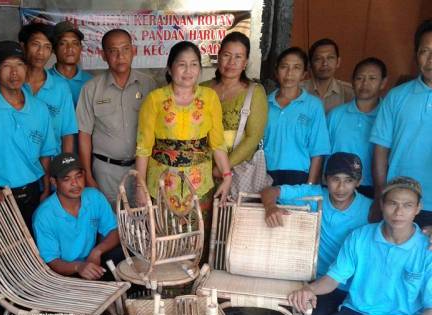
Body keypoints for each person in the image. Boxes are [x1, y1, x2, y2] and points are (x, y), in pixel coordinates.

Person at [288, 177, 432, 315]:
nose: (399, 212)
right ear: (381, 204)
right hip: (359, 313)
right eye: (392, 203)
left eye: (407, 205)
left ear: (418, 208)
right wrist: (309, 289)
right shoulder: (360, 236)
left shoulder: (427, 249)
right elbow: (333, 279)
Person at [261, 152, 371, 315]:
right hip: (317, 280)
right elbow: (270, 191)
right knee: (302, 313)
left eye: (349, 180)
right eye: (335, 179)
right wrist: (270, 207)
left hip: (352, 286)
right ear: (325, 179)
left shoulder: (370, 209)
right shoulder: (314, 195)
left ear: (358, 182)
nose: (341, 187)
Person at [135, 41, 232, 216]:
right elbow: (143, 147)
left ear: (200, 69)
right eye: (182, 64)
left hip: (199, 186)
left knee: (198, 231)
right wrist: (140, 186)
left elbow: (218, 143)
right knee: (163, 232)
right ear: (170, 69)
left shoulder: (209, 98)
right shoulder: (154, 99)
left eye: (194, 64)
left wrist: (227, 176)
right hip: (162, 185)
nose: (188, 71)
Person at [0, 40, 58, 222]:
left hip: (34, 191)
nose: (14, 72)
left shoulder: (40, 108)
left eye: (19, 65)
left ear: (26, 69)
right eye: (6, 66)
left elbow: (45, 154)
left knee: (33, 237)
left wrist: (46, 189)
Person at [77, 29, 157, 207]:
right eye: (113, 51)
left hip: (142, 168)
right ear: (103, 55)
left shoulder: (149, 85)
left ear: (133, 51)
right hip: (106, 173)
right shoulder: (91, 89)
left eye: (125, 49)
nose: (120, 56)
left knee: (143, 218)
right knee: (110, 220)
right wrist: (87, 174)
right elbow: (84, 134)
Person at [370, 19, 432, 227]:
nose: (431, 59)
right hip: (398, 203)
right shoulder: (396, 96)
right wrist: (381, 194)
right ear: (416, 55)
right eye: (425, 51)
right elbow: (381, 149)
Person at [32, 153, 122, 281]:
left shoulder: (94, 197)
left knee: (125, 256)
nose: (75, 183)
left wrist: (97, 251)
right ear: (54, 182)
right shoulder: (43, 216)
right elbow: (52, 261)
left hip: (92, 261)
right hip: (64, 274)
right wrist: (78, 267)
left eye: (78, 176)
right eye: (66, 179)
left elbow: (114, 230)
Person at [200, 32, 267, 174]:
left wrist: (223, 168)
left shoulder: (255, 92)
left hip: (236, 170)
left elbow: (253, 137)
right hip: (200, 169)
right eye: (227, 55)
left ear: (245, 62)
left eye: (238, 57)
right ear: (218, 57)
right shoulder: (202, 89)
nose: (231, 62)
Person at [264, 47, 331, 186]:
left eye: (296, 67)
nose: (289, 73)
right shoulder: (265, 103)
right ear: (276, 71)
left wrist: (309, 186)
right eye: (284, 67)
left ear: (304, 74)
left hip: (300, 176)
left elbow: (318, 150)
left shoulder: (313, 105)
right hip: (265, 174)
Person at [327, 58, 388, 199]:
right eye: (359, 78)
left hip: (373, 187)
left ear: (383, 82)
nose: (365, 83)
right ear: (352, 81)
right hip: (337, 187)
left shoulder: (387, 116)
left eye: (372, 78)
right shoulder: (336, 115)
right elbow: (323, 153)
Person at [17, 22, 77, 153]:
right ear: (23, 46)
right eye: (35, 45)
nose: (41, 52)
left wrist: (65, 163)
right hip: (17, 161)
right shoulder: (8, 83)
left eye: (47, 47)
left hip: (52, 161)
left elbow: (67, 133)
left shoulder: (61, 88)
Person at [301, 38, 354, 112]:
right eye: (318, 59)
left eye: (330, 58)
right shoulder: (299, 90)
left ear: (338, 62)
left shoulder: (349, 93)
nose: (325, 63)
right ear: (310, 64)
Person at [48, 21, 92, 106]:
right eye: (63, 43)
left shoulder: (91, 82)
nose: (70, 48)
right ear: (53, 49)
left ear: (81, 48)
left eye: (75, 43)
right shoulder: (44, 80)